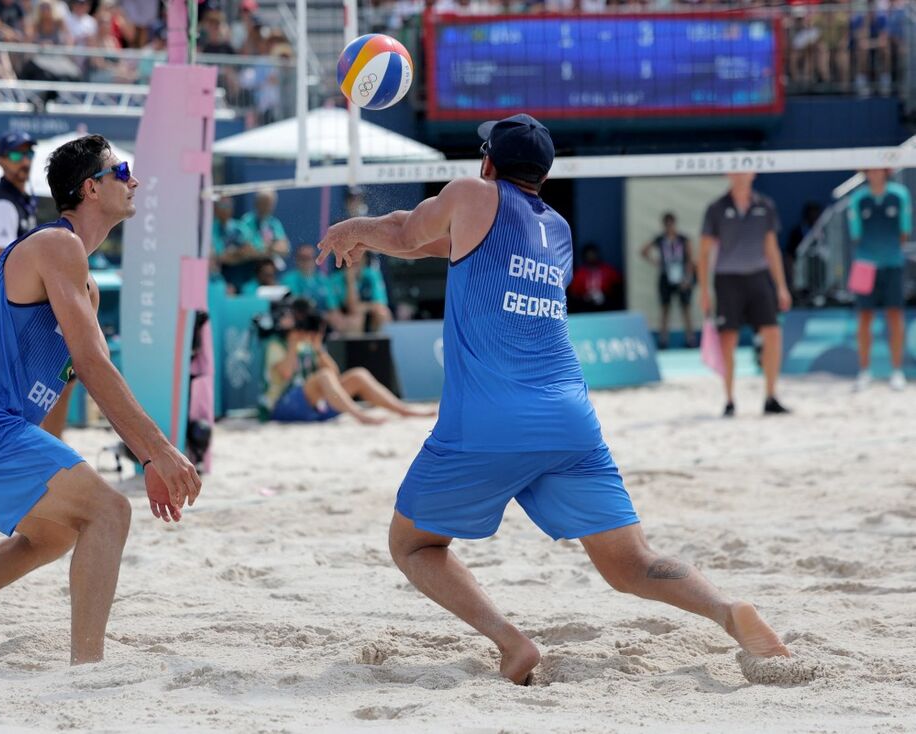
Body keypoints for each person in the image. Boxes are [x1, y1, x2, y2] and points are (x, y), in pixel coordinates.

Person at [318, 113, 790, 686]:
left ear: (487, 162)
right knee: (631, 563)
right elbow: (444, 246)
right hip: (570, 418)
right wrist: (373, 235)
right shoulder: (558, 230)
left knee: (413, 543)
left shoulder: (469, 192)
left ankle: (511, 641)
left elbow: (408, 231)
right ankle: (726, 612)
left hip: (488, 420)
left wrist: (356, 227)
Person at [0, 135, 201, 665]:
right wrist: (156, 453)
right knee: (109, 513)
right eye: (123, 170)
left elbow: (72, 378)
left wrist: (80, 459)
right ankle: (86, 672)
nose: (135, 179)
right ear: (90, 189)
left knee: (52, 536)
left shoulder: (82, 280)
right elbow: (95, 366)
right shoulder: (56, 246)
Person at [699, 173, 791, 417]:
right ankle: (729, 400)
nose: (740, 175)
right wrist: (704, 290)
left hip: (758, 276)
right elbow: (704, 253)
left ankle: (771, 396)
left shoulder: (765, 205)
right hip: (727, 279)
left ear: (753, 173)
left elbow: (772, 249)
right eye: (736, 170)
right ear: (728, 174)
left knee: (772, 333)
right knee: (728, 340)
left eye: (745, 170)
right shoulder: (716, 208)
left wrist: (781, 286)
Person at [262, 299, 431, 425]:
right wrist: (293, 343)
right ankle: (360, 416)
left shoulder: (306, 343)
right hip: (282, 406)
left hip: (314, 405)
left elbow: (333, 376)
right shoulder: (276, 345)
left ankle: (405, 411)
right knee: (324, 376)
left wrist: (318, 348)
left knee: (358, 374)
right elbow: (285, 374)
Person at [847, 168, 910, 391]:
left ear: (885, 170)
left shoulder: (899, 195)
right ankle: (864, 371)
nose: (874, 172)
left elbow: (904, 232)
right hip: (864, 263)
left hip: (892, 262)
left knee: (895, 315)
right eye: (870, 168)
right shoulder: (857, 198)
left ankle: (896, 371)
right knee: (864, 318)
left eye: (878, 168)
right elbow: (856, 235)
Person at [0, 130, 38, 277]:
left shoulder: (22, 200)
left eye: (29, 154)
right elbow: (7, 263)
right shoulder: (1, 205)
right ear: (0, 160)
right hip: (4, 298)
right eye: (16, 155)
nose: (25, 162)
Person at [641, 213, 695, 348]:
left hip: (680, 275)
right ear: (664, 225)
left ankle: (690, 338)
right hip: (666, 276)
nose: (669, 227)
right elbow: (643, 251)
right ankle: (663, 339)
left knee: (685, 308)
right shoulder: (660, 239)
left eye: (671, 223)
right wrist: (655, 262)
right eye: (667, 224)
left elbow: (689, 259)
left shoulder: (683, 239)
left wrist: (688, 278)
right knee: (665, 308)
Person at [328, 256, 392, 334]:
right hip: (347, 316)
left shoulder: (372, 275)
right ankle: (356, 346)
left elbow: (380, 304)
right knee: (356, 320)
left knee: (383, 314)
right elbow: (349, 308)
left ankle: (379, 345)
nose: (355, 263)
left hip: (369, 315)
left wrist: (361, 308)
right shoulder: (335, 279)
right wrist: (350, 281)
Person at [238, 188, 290, 270]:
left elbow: (285, 248)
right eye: (264, 203)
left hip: (270, 271)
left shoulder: (274, 223)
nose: (267, 207)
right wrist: (270, 250)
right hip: (250, 271)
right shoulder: (246, 221)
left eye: (270, 204)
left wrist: (265, 249)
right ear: (256, 203)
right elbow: (246, 250)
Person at [567, 243, 622, 313]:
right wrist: (585, 297)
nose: (591, 257)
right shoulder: (579, 274)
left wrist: (604, 296)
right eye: (589, 255)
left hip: (606, 304)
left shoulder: (608, 270)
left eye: (593, 254)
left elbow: (618, 287)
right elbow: (574, 293)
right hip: (585, 305)